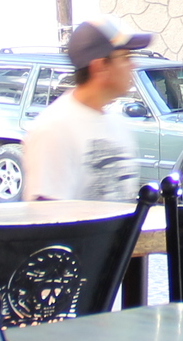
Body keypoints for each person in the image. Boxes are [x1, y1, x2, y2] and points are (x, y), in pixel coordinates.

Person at [20, 14, 154, 203]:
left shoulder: (117, 123)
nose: (133, 65)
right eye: (125, 57)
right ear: (100, 67)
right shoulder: (53, 129)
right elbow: (48, 222)